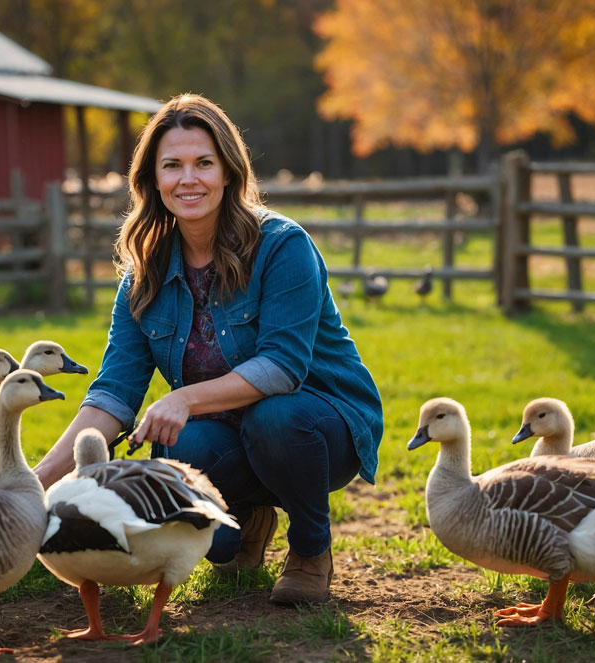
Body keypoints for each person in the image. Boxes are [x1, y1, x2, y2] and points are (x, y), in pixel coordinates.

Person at [33, 93, 382, 605]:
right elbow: (113, 391)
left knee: (276, 418)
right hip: (229, 431)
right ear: (152, 179)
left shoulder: (282, 246)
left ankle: (311, 550)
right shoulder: (143, 274)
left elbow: (283, 367)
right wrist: (34, 483)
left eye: (203, 163)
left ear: (228, 172)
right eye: (171, 165)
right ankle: (249, 513)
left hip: (321, 426)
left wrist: (184, 399)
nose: (187, 179)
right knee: (188, 473)